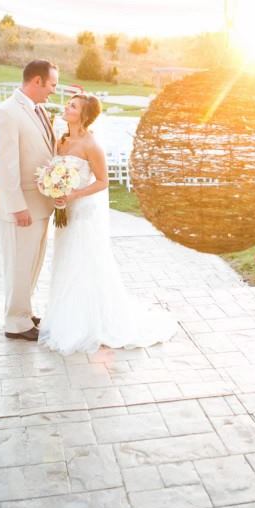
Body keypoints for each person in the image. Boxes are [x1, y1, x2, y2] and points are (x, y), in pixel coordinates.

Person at [39, 93, 178, 354]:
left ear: (84, 115)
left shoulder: (91, 144)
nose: (66, 107)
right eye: (68, 104)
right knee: (65, 260)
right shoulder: (62, 139)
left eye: (72, 106)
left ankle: (90, 322)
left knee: (83, 262)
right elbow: (56, 172)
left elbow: (103, 181)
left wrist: (74, 194)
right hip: (65, 210)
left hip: (82, 214)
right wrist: (56, 191)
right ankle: (66, 317)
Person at [0, 60, 58, 341]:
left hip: (40, 205)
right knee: (19, 265)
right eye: (52, 84)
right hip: (21, 207)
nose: (53, 90)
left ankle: (24, 312)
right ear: (37, 81)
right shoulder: (7, 112)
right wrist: (17, 206)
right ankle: (15, 323)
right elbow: (6, 166)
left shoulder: (38, 110)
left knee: (31, 264)